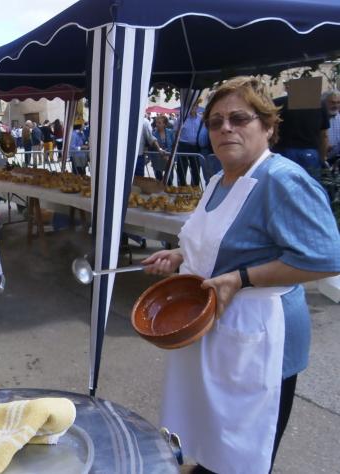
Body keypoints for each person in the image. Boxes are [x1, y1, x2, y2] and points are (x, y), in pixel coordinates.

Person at [142, 76, 340, 474]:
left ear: (267, 126)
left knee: (243, 449)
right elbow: (222, 242)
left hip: (260, 336)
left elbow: (327, 258)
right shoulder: (219, 178)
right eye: (215, 122)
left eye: (239, 118)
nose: (225, 128)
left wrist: (241, 278)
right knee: (211, 435)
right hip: (213, 328)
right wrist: (180, 254)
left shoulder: (281, 180)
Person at [273, 80, 330, 176]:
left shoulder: (277, 103)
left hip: (283, 151)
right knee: (310, 182)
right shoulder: (320, 104)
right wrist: (323, 158)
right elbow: (324, 135)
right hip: (310, 152)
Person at [175, 103, 203, 185]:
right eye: (191, 106)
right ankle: (181, 187)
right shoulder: (182, 118)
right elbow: (176, 131)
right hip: (183, 145)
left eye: (194, 105)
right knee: (182, 168)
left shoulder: (201, 119)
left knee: (196, 168)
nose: (192, 108)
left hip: (195, 146)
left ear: (197, 107)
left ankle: (195, 187)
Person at [322, 89, 340, 168]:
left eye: (338, 102)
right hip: (320, 160)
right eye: (332, 102)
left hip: (336, 161)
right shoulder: (316, 118)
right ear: (323, 103)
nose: (336, 105)